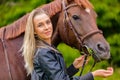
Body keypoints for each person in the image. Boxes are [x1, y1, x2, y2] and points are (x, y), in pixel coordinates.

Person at [22, 9, 113, 80]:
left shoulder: (48, 48)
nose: (46, 27)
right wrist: (93, 74)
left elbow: (57, 77)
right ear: (34, 31)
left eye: (48, 22)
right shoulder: (43, 52)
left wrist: (74, 66)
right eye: (40, 25)